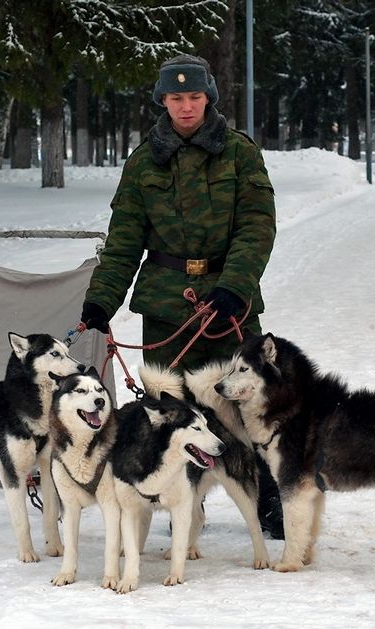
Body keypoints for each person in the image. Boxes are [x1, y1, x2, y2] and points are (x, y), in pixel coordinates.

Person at [79, 54, 283, 539]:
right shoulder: (143, 161)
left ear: (208, 98)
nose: (186, 106)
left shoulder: (239, 154)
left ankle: (272, 500)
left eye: (194, 97)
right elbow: (125, 239)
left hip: (229, 305)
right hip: (168, 307)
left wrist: (235, 287)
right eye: (176, 97)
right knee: (168, 413)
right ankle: (181, 502)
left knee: (254, 409)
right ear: (163, 101)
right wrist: (101, 302)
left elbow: (257, 227)